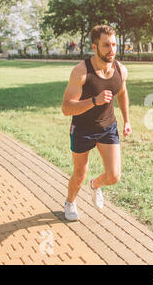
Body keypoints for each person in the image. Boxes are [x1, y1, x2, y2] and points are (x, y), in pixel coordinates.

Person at [61, 25, 132, 221]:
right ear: (95, 46)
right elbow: (66, 108)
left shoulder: (120, 69)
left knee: (114, 176)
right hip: (82, 130)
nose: (112, 50)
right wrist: (94, 100)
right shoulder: (81, 72)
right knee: (79, 173)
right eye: (106, 45)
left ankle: (95, 185)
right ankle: (70, 202)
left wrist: (127, 120)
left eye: (114, 45)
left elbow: (122, 93)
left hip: (107, 127)